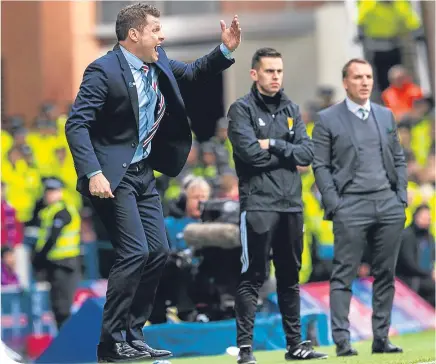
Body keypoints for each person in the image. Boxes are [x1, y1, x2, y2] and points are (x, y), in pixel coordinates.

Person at [65, 3, 241, 362]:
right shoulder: (102, 71)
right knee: (134, 252)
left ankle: (133, 334)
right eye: (155, 29)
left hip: (145, 175)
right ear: (134, 34)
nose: (162, 36)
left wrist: (225, 50)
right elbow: (76, 124)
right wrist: (93, 172)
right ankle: (110, 344)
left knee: (158, 252)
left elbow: (192, 73)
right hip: (112, 178)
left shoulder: (158, 62)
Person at [227, 47, 327, 364]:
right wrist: (287, 152)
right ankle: (245, 350)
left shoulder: (291, 108)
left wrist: (272, 143)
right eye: (269, 71)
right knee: (253, 275)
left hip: (290, 205)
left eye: (279, 71)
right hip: (257, 204)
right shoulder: (240, 110)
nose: (275, 77)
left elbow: (307, 155)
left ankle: (295, 345)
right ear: (254, 74)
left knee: (290, 277)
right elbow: (248, 155)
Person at [312, 58, 406, 356]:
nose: (365, 82)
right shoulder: (327, 119)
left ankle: (381, 338)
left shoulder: (385, 115)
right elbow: (320, 165)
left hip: (388, 204)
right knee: (344, 275)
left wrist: (400, 196)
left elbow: (398, 157)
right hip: (350, 206)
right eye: (358, 77)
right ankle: (342, 341)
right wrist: (335, 204)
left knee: (385, 274)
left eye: (368, 77)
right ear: (345, 82)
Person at [32, 178, 81, 329]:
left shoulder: (62, 212)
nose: (48, 195)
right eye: (47, 191)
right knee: (57, 306)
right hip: (55, 264)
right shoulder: (48, 211)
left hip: (65, 264)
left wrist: (39, 258)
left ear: (60, 192)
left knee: (63, 307)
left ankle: (68, 343)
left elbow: (53, 237)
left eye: (52, 191)